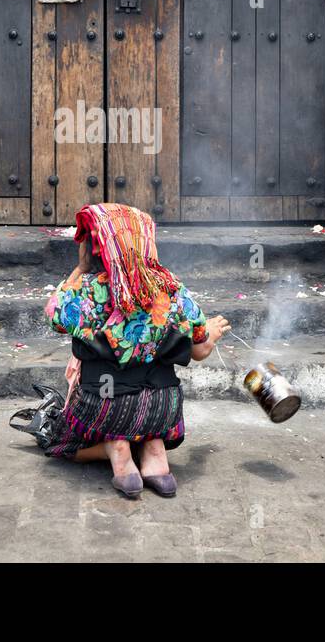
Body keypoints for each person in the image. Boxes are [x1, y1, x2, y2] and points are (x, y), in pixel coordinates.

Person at [41, 203, 229, 498]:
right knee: (148, 421)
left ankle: (116, 451)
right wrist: (213, 334)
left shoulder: (88, 290)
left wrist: (81, 268)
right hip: (161, 410)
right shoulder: (171, 289)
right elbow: (200, 350)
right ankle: (156, 458)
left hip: (103, 407)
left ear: (95, 249)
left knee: (60, 443)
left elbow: (54, 313)